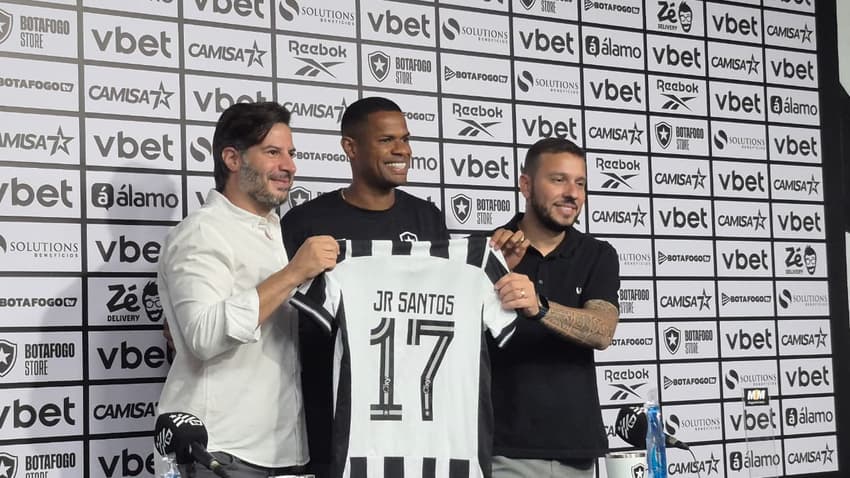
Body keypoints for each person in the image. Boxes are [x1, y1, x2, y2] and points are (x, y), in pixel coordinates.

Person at [156, 102, 339, 477]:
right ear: (232, 158)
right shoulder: (202, 232)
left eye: (291, 153)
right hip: (219, 451)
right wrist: (293, 273)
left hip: (284, 450)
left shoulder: (275, 233)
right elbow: (203, 336)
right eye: (273, 152)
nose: (289, 166)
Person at [280, 97, 449, 477]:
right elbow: (283, 315)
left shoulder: (427, 218)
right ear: (350, 147)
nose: (402, 150)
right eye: (387, 140)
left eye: (405, 139)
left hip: (414, 427)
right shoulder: (305, 222)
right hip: (331, 425)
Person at [488, 137, 621, 478]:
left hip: (577, 454)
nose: (573, 194)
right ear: (526, 185)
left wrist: (540, 307)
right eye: (558, 179)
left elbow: (603, 330)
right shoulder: (487, 251)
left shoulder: (598, 254)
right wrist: (494, 273)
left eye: (580, 183)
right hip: (502, 452)